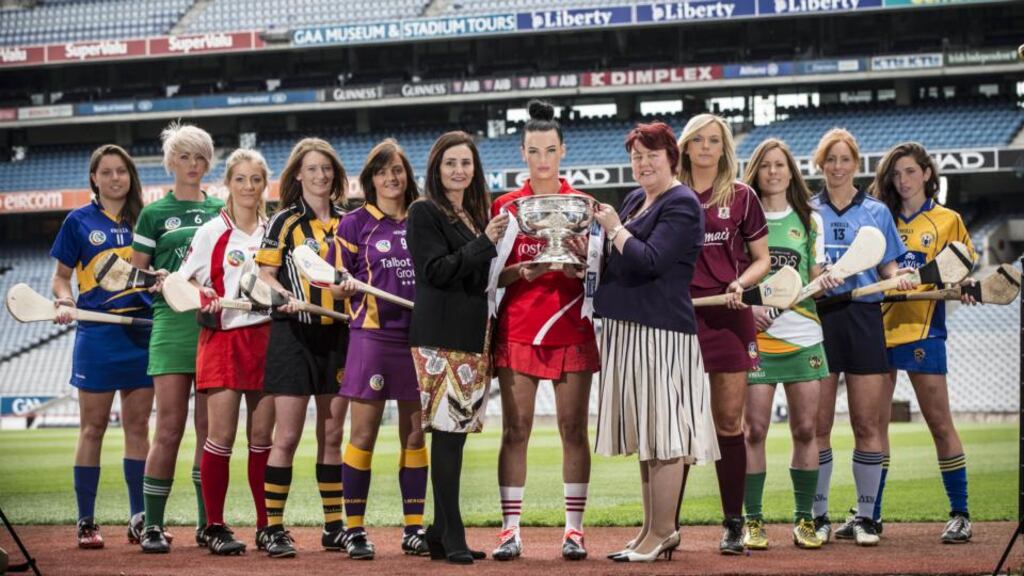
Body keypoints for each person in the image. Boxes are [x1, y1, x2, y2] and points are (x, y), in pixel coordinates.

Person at [836, 142, 974, 544]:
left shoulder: (947, 220)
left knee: (938, 422)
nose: (903, 180)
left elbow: (961, 266)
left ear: (928, 173)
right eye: (896, 174)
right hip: (877, 331)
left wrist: (961, 285)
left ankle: (960, 513)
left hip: (922, 331)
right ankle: (870, 516)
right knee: (874, 427)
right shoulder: (880, 217)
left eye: (911, 171)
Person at [593, 121, 718, 563]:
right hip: (629, 329)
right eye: (636, 155)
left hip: (661, 331)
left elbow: (651, 261)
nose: (642, 163)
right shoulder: (633, 199)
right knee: (648, 436)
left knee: (664, 436)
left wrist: (613, 230)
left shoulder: (683, 203)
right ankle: (649, 529)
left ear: (671, 158)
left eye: (651, 154)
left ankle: (665, 531)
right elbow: (619, 260)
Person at [490, 100, 599, 561]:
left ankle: (573, 530)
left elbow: (602, 274)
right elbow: (492, 277)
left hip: (572, 325)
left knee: (574, 428)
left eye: (549, 150)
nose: (542, 160)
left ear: (562, 151)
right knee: (516, 429)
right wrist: (523, 272)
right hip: (519, 327)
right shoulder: (506, 207)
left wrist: (583, 266)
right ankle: (509, 530)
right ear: (522, 153)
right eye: (533, 151)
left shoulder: (584, 207)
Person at [407, 131, 508, 564]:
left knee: (457, 439)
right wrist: (486, 241)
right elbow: (435, 271)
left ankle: (438, 530)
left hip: (471, 337)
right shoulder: (424, 211)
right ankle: (454, 535)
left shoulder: (471, 213)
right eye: (451, 163)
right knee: (447, 440)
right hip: (440, 339)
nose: (459, 170)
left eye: (465, 163)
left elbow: (477, 275)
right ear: (436, 167)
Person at [810, 128, 914, 547]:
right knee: (816, 425)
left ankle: (868, 516)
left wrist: (899, 278)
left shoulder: (876, 211)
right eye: (830, 160)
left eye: (844, 159)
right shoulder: (807, 210)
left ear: (856, 163)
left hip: (865, 317)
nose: (837, 167)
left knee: (867, 422)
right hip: (818, 318)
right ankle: (816, 516)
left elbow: (888, 268)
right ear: (821, 165)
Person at [740, 138, 841, 550]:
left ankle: (804, 519)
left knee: (806, 430)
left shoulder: (809, 219)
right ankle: (753, 521)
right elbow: (736, 275)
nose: (774, 172)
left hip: (803, 336)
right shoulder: (744, 217)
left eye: (780, 165)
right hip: (758, 338)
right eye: (765, 166)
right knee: (754, 431)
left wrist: (826, 278)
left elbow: (813, 275)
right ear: (756, 172)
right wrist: (750, 311)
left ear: (791, 171)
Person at [50, 144, 153, 549]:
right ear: (94, 177)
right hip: (97, 335)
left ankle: (139, 517)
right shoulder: (78, 222)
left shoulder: (144, 219)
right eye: (106, 172)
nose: (115, 178)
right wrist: (64, 299)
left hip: (142, 332)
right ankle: (86, 521)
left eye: (121, 171)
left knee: (138, 428)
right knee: (91, 428)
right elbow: (61, 277)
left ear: (130, 176)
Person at [677, 113, 769, 554]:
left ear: (724, 147)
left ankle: (734, 524)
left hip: (729, 316)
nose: (707, 147)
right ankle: (665, 526)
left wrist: (742, 284)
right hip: (679, 319)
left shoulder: (743, 196)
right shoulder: (669, 194)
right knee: (673, 425)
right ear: (687, 147)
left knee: (730, 423)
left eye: (715, 140)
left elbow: (762, 258)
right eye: (700, 140)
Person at [176, 148, 275, 555]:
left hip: (268, 339)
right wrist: (204, 295)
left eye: (255, 179)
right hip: (223, 340)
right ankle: (214, 526)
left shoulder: (275, 230)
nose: (248, 187)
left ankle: (268, 525)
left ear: (264, 184)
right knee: (219, 438)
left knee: (262, 439)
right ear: (227, 184)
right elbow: (179, 285)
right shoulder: (210, 232)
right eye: (240, 179)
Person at [255, 138, 350, 558]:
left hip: (340, 336)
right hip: (293, 335)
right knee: (288, 435)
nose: (321, 176)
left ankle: (333, 526)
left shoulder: (349, 220)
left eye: (327, 169)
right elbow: (266, 274)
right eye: (312, 169)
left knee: (332, 434)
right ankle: (273, 528)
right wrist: (282, 296)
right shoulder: (285, 220)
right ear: (298, 175)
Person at [133, 123, 225, 553]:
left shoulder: (222, 211)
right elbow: (135, 276)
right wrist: (157, 280)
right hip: (171, 326)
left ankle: (208, 525)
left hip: (214, 327)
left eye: (201, 157)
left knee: (210, 432)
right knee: (168, 428)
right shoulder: (153, 213)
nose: (193, 164)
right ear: (171, 162)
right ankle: (152, 525)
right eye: (185, 156)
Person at [333, 139, 427, 559]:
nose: (392, 177)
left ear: (408, 176)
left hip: (418, 337)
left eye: (398, 170)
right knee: (364, 434)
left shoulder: (424, 219)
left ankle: (413, 528)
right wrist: (344, 284)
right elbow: (333, 281)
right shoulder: (354, 224)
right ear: (371, 179)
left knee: (414, 433)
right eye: (383, 171)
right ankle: (354, 529)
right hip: (371, 337)